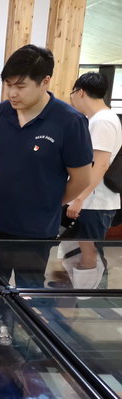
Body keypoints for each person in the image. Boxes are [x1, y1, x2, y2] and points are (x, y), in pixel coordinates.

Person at [0, 44, 93, 287]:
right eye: (8, 84)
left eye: (20, 86)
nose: (12, 93)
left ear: (45, 82)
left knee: (29, 290)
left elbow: (82, 178)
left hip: (35, 229)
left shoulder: (69, 121)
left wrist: (50, 201)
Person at [64, 72, 122, 279]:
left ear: (80, 92)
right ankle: (80, 291)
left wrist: (79, 198)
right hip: (92, 200)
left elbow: (101, 164)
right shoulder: (97, 119)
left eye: (72, 94)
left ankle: (87, 295)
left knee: (89, 253)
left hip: (95, 202)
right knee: (78, 250)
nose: (72, 99)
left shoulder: (103, 121)